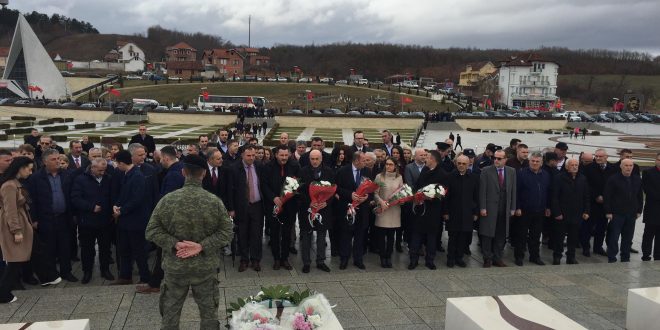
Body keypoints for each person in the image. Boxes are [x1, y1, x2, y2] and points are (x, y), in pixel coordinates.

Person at [146, 154, 233, 330]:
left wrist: (175, 244)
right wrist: (202, 246)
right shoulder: (214, 202)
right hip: (205, 268)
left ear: (184, 172)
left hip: (175, 267)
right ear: (204, 174)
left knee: (170, 315)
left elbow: (151, 231)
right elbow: (227, 232)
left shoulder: (168, 200)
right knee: (209, 316)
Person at [0, 157, 61, 304]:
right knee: (15, 260)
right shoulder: (9, 186)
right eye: (28, 168)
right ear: (20, 168)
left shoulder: (15, 184)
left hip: (23, 223)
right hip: (15, 225)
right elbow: (10, 211)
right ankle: (3, 293)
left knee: (36, 249)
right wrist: (16, 231)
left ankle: (47, 277)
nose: (30, 171)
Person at [27, 149, 78, 282]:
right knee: (49, 249)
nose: (58, 162)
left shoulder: (67, 175)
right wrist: (35, 219)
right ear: (45, 162)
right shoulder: (36, 178)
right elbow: (32, 201)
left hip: (64, 217)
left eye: (58, 159)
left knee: (65, 247)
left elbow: (73, 195)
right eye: (54, 159)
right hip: (46, 219)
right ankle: (52, 274)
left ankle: (66, 272)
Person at [71, 158, 115, 284]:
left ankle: (105, 270)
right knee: (87, 249)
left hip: (105, 220)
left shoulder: (108, 178)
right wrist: (91, 207)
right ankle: (87, 271)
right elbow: (75, 198)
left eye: (104, 170)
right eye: (100, 170)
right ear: (92, 168)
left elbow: (112, 195)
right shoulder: (80, 180)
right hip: (87, 221)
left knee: (105, 247)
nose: (103, 173)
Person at [112, 150, 151, 284]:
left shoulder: (137, 176)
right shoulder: (127, 174)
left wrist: (121, 210)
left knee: (139, 251)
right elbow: (123, 195)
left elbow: (136, 199)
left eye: (117, 164)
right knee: (124, 250)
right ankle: (125, 276)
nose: (117, 166)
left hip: (136, 221)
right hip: (126, 221)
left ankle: (145, 277)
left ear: (122, 163)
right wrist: (116, 206)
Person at [263, 145, 300, 270]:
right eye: (281, 155)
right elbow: (264, 185)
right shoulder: (267, 166)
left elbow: (298, 184)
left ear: (289, 154)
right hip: (273, 205)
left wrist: (289, 195)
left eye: (286, 155)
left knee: (286, 233)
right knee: (274, 233)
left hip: (289, 206)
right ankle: (276, 259)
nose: (284, 158)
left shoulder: (295, 166)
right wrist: (274, 198)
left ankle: (285, 258)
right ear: (276, 155)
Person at [408, 150, 447, 270]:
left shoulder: (442, 174)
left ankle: (430, 260)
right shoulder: (425, 170)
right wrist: (415, 194)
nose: (425, 159)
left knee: (431, 237)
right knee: (416, 235)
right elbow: (418, 185)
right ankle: (413, 260)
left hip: (433, 211)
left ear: (433, 160)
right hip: (420, 209)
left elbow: (442, 193)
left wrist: (428, 196)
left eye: (428, 157)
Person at [297, 150, 334, 273]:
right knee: (306, 236)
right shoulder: (302, 171)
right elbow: (299, 191)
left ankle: (321, 261)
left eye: (317, 159)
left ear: (321, 158)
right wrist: (309, 201)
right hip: (307, 210)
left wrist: (326, 202)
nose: (314, 161)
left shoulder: (329, 171)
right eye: (312, 159)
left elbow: (334, 191)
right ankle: (306, 262)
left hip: (323, 210)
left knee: (321, 236)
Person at [478, 150, 516, 268]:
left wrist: (513, 207)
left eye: (499, 159)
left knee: (501, 235)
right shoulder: (486, 171)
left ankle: (497, 258)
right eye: (495, 158)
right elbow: (482, 191)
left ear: (505, 159)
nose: (496, 160)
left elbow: (513, 190)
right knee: (487, 235)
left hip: (504, 209)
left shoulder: (511, 171)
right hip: (489, 209)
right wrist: (483, 207)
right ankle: (487, 259)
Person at [232, 146, 266, 272]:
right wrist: (231, 208)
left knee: (256, 235)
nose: (252, 158)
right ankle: (244, 260)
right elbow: (231, 190)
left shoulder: (259, 166)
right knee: (242, 234)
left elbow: (263, 185)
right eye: (248, 156)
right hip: (241, 207)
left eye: (253, 155)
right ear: (242, 155)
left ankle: (256, 260)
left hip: (257, 205)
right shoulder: (234, 168)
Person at [336, 151, 372, 270]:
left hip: (362, 210)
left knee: (360, 235)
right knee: (346, 234)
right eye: (364, 161)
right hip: (347, 209)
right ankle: (344, 258)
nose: (366, 163)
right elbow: (337, 188)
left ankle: (358, 259)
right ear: (356, 161)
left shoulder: (367, 171)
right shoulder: (343, 171)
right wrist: (350, 194)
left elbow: (371, 189)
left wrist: (367, 197)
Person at [514, 152, 551, 266]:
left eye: (537, 161)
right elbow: (516, 192)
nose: (534, 163)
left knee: (535, 236)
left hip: (539, 211)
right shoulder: (521, 174)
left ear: (541, 163)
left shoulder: (545, 175)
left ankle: (534, 257)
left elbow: (548, 192)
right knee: (521, 235)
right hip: (524, 211)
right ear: (529, 161)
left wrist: (548, 207)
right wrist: (518, 207)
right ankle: (519, 257)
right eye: (532, 161)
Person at [551, 159, 590, 265]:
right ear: (567, 167)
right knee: (559, 237)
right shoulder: (559, 178)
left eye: (576, 165)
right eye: (572, 165)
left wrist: (586, 211)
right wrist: (557, 212)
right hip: (562, 214)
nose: (574, 167)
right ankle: (557, 256)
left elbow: (586, 196)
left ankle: (571, 257)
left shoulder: (582, 178)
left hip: (577, 213)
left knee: (573, 237)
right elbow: (554, 197)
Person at [443, 155, 479, 268]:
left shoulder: (473, 178)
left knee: (463, 238)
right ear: (456, 163)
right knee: (453, 237)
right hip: (453, 213)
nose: (461, 166)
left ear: (469, 165)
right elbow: (445, 197)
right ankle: (451, 258)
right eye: (459, 163)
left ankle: (459, 257)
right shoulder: (449, 177)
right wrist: (445, 212)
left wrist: (475, 212)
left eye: (464, 164)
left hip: (468, 213)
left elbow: (476, 196)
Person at [604, 159, 643, 263]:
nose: (628, 167)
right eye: (626, 165)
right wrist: (608, 211)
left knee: (628, 237)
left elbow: (639, 196)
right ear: (621, 166)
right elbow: (607, 196)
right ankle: (612, 257)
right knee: (614, 237)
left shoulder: (637, 179)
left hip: (631, 214)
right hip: (617, 214)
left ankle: (625, 257)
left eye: (630, 165)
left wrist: (639, 210)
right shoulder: (613, 179)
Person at [582, 149, 616, 256]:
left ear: (606, 157)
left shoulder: (613, 169)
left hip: (605, 204)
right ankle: (586, 247)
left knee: (602, 227)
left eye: (600, 156)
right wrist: (596, 196)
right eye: (596, 156)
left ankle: (598, 247)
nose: (597, 158)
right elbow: (586, 185)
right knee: (587, 227)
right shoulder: (588, 168)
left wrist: (605, 197)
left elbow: (613, 186)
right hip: (592, 202)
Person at [373, 157, 403, 268]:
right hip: (383, 210)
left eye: (390, 164)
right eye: (387, 164)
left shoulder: (399, 177)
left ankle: (388, 256)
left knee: (391, 236)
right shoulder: (379, 177)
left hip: (394, 210)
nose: (388, 166)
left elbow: (401, 193)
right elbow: (375, 193)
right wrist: (381, 202)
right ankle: (382, 257)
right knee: (381, 236)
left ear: (395, 166)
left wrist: (398, 200)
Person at [641, 152, 660, 261]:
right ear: (656, 160)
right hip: (652, 208)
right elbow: (647, 189)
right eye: (659, 160)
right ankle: (646, 254)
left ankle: (658, 255)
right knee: (649, 233)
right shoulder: (648, 172)